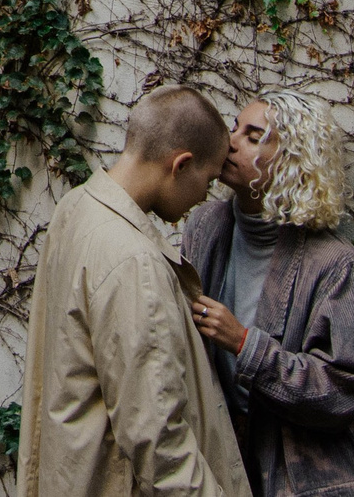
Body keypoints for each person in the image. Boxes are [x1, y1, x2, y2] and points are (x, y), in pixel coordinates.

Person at [20, 84, 253, 497]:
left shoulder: (76, 207)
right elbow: (159, 442)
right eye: (209, 179)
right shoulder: (133, 262)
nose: (204, 198)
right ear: (180, 164)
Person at [181, 92, 354, 497]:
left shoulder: (335, 264)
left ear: (293, 160)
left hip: (313, 476)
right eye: (234, 128)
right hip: (227, 458)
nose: (230, 141)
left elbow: (342, 390)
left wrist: (245, 345)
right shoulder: (205, 227)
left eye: (253, 136)